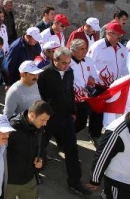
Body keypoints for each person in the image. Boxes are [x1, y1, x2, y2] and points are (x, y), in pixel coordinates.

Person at [37, 46, 91, 195]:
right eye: (63, 63)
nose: (66, 66)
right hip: (49, 118)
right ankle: (33, 173)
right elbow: (40, 98)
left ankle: (74, 182)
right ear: (54, 59)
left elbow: (70, 92)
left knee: (72, 149)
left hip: (66, 116)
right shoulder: (45, 74)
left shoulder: (69, 72)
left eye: (68, 63)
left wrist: (73, 110)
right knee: (40, 145)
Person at [6, 100, 53, 199]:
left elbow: (41, 150)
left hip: (29, 181)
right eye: (43, 120)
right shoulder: (12, 129)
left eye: (47, 120)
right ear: (32, 115)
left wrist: (41, 163)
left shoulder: (39, 128)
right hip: (10, 183)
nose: (45, 124)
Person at [69, 39, 102, 139]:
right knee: (70, 121)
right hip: (71, 97)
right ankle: (66, 140)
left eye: (85, 49)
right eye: (81, 49)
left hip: (85, 97)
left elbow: (94, 75)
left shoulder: (88, 60)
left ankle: (68, 137)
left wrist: (92, 78)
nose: (84, 51)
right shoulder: (68, 62)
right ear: (73, 51)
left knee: (82, 122)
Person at [87, 22, 129, 87]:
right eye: (117, 34)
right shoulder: (97, 47)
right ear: (108, 33)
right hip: (99, 86)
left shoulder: (122, 49)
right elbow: (88, 64)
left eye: (121, 35)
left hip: (116, 86)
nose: (119, 37)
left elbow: (124, 68)